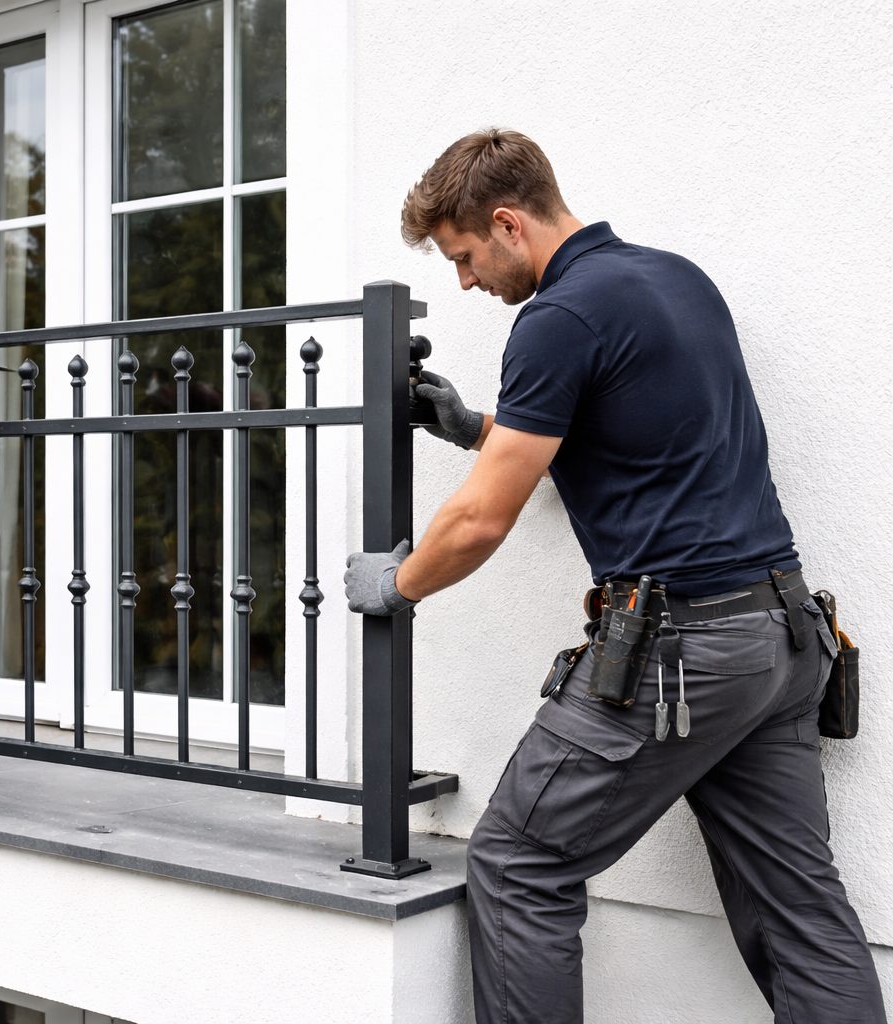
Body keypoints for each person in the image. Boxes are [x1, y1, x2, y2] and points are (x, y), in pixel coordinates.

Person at [343, 128, 884, 1023]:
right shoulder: (677, 278)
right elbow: (642, 449)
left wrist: (397, 586)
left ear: (509, 224)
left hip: (685, 655)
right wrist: (477, 427)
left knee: (517, 863)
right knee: (801, 910)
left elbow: (481, 518)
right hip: (783, 641)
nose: (467, 282)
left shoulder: (555, 319)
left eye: (465, 256)